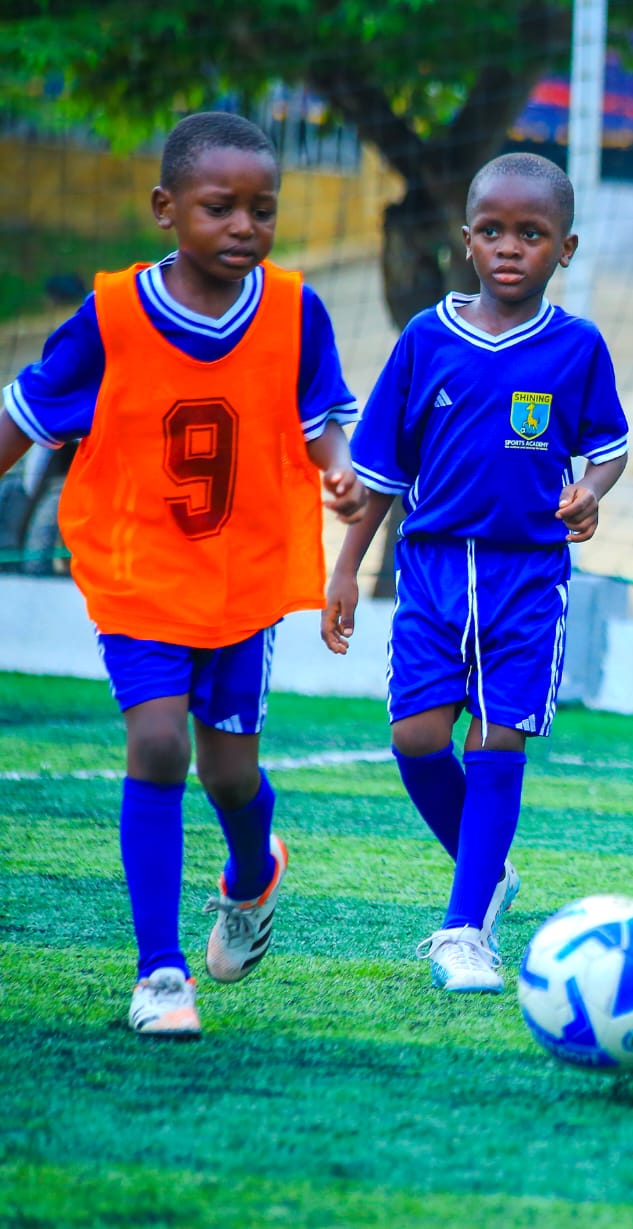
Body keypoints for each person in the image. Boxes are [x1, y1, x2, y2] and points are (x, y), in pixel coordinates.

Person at [0, 112, 367, 1037]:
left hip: (243, 580)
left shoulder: (295, 310)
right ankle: (161, 973)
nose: (244, 226)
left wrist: (338, 463)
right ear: (166, 209)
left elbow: (322, 412)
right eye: (220, 207)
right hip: (139, 572)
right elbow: (28, 414)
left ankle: (253, 874)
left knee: (230, 774)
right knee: (159, 746)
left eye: (262, 209)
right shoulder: (111, 316)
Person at [322, 152, 628, 994]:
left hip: (528, 577)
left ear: (564, 249)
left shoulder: (578, 347)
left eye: (531, 234)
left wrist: (589, 492)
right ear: (466, 241)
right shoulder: (426, 339)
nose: (509, 247)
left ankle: (465, 931)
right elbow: (381, 471)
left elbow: (609, 447)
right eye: (492, 230)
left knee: (498, 737)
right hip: (429, 571)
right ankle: (487, 871)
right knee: (417, 740)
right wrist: (346, 569)